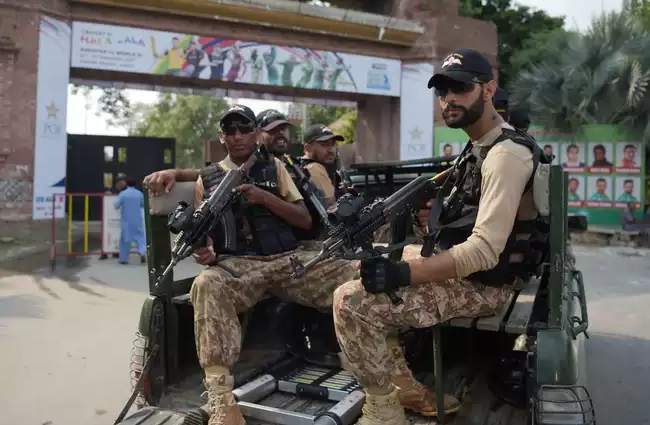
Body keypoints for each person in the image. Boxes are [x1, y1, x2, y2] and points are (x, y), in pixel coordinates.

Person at [332, 48, 549, 423]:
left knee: (352, 302)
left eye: (461, 87)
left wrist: (404, 275)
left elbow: (483, 251)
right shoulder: (479, 146)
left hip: (488, 284)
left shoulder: (506, 155)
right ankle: (403, 385)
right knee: (357, 270)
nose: (449, 98)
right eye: (443, 89)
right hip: (469, 269)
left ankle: (384, 410)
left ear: (487, 89)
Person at [145, 105, 360, 425]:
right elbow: (210, 235)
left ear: (255, 133)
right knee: (206, 283)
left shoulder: (273, 167)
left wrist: (263, 197)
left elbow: (304, 219)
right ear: (222, 137)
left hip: (287, 261)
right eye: (229, 131)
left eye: (243, 129)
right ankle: (221, 401)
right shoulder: (209, 177)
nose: (237, 136)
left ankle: (385, 376)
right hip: (241, 266)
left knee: (357, 271)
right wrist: (206, 253)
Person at [113, 178, 146, 264]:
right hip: (137, 220)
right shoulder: (139, 194)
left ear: (126, 184)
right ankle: (142, 252)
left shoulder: (123, 194)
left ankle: (123, 259)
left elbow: (116, 205)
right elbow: (143, 205)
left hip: (126, 221)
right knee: (140, 238)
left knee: (125, 240)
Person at [100, 175, 128, 260]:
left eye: (123, 182)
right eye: (119, 182)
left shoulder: (128, 191)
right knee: (107, 234)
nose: (121, 184)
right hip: (110, 218)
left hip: (123, 218)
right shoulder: (111, 191)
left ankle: (117, 252)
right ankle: (105, 252)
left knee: (121, 235)